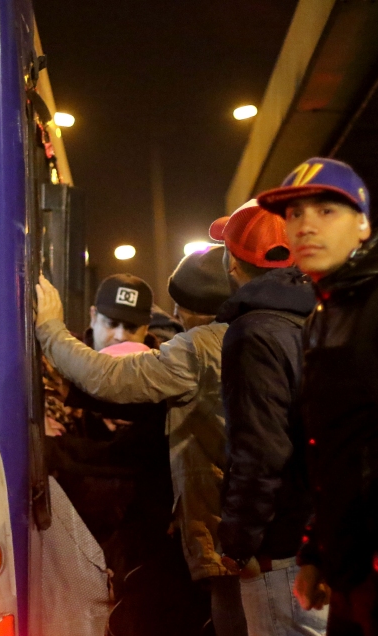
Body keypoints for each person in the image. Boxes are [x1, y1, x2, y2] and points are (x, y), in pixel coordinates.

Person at [258, 157, 378, 635]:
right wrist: (318, 550)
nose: (305, 225)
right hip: (357, 568)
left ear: (364, 226)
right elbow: (336, 448)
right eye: (294, 214)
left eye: (326, 211)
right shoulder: (327, 313)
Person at [37, 258, 231, 635]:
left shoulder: (181, 361)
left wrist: (48, 328)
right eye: (111, 323)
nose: (119, 336)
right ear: (93, 317)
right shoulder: (58, 377)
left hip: (157, 551)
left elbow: (110, 384)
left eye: (131, 326)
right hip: (91, 547)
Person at [212, 200, 324, 636]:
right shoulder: (318, 317)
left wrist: (239, 545)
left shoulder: (253, 333)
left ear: (233, 264)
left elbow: (260, 449)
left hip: (282, 549)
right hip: (320, 539)